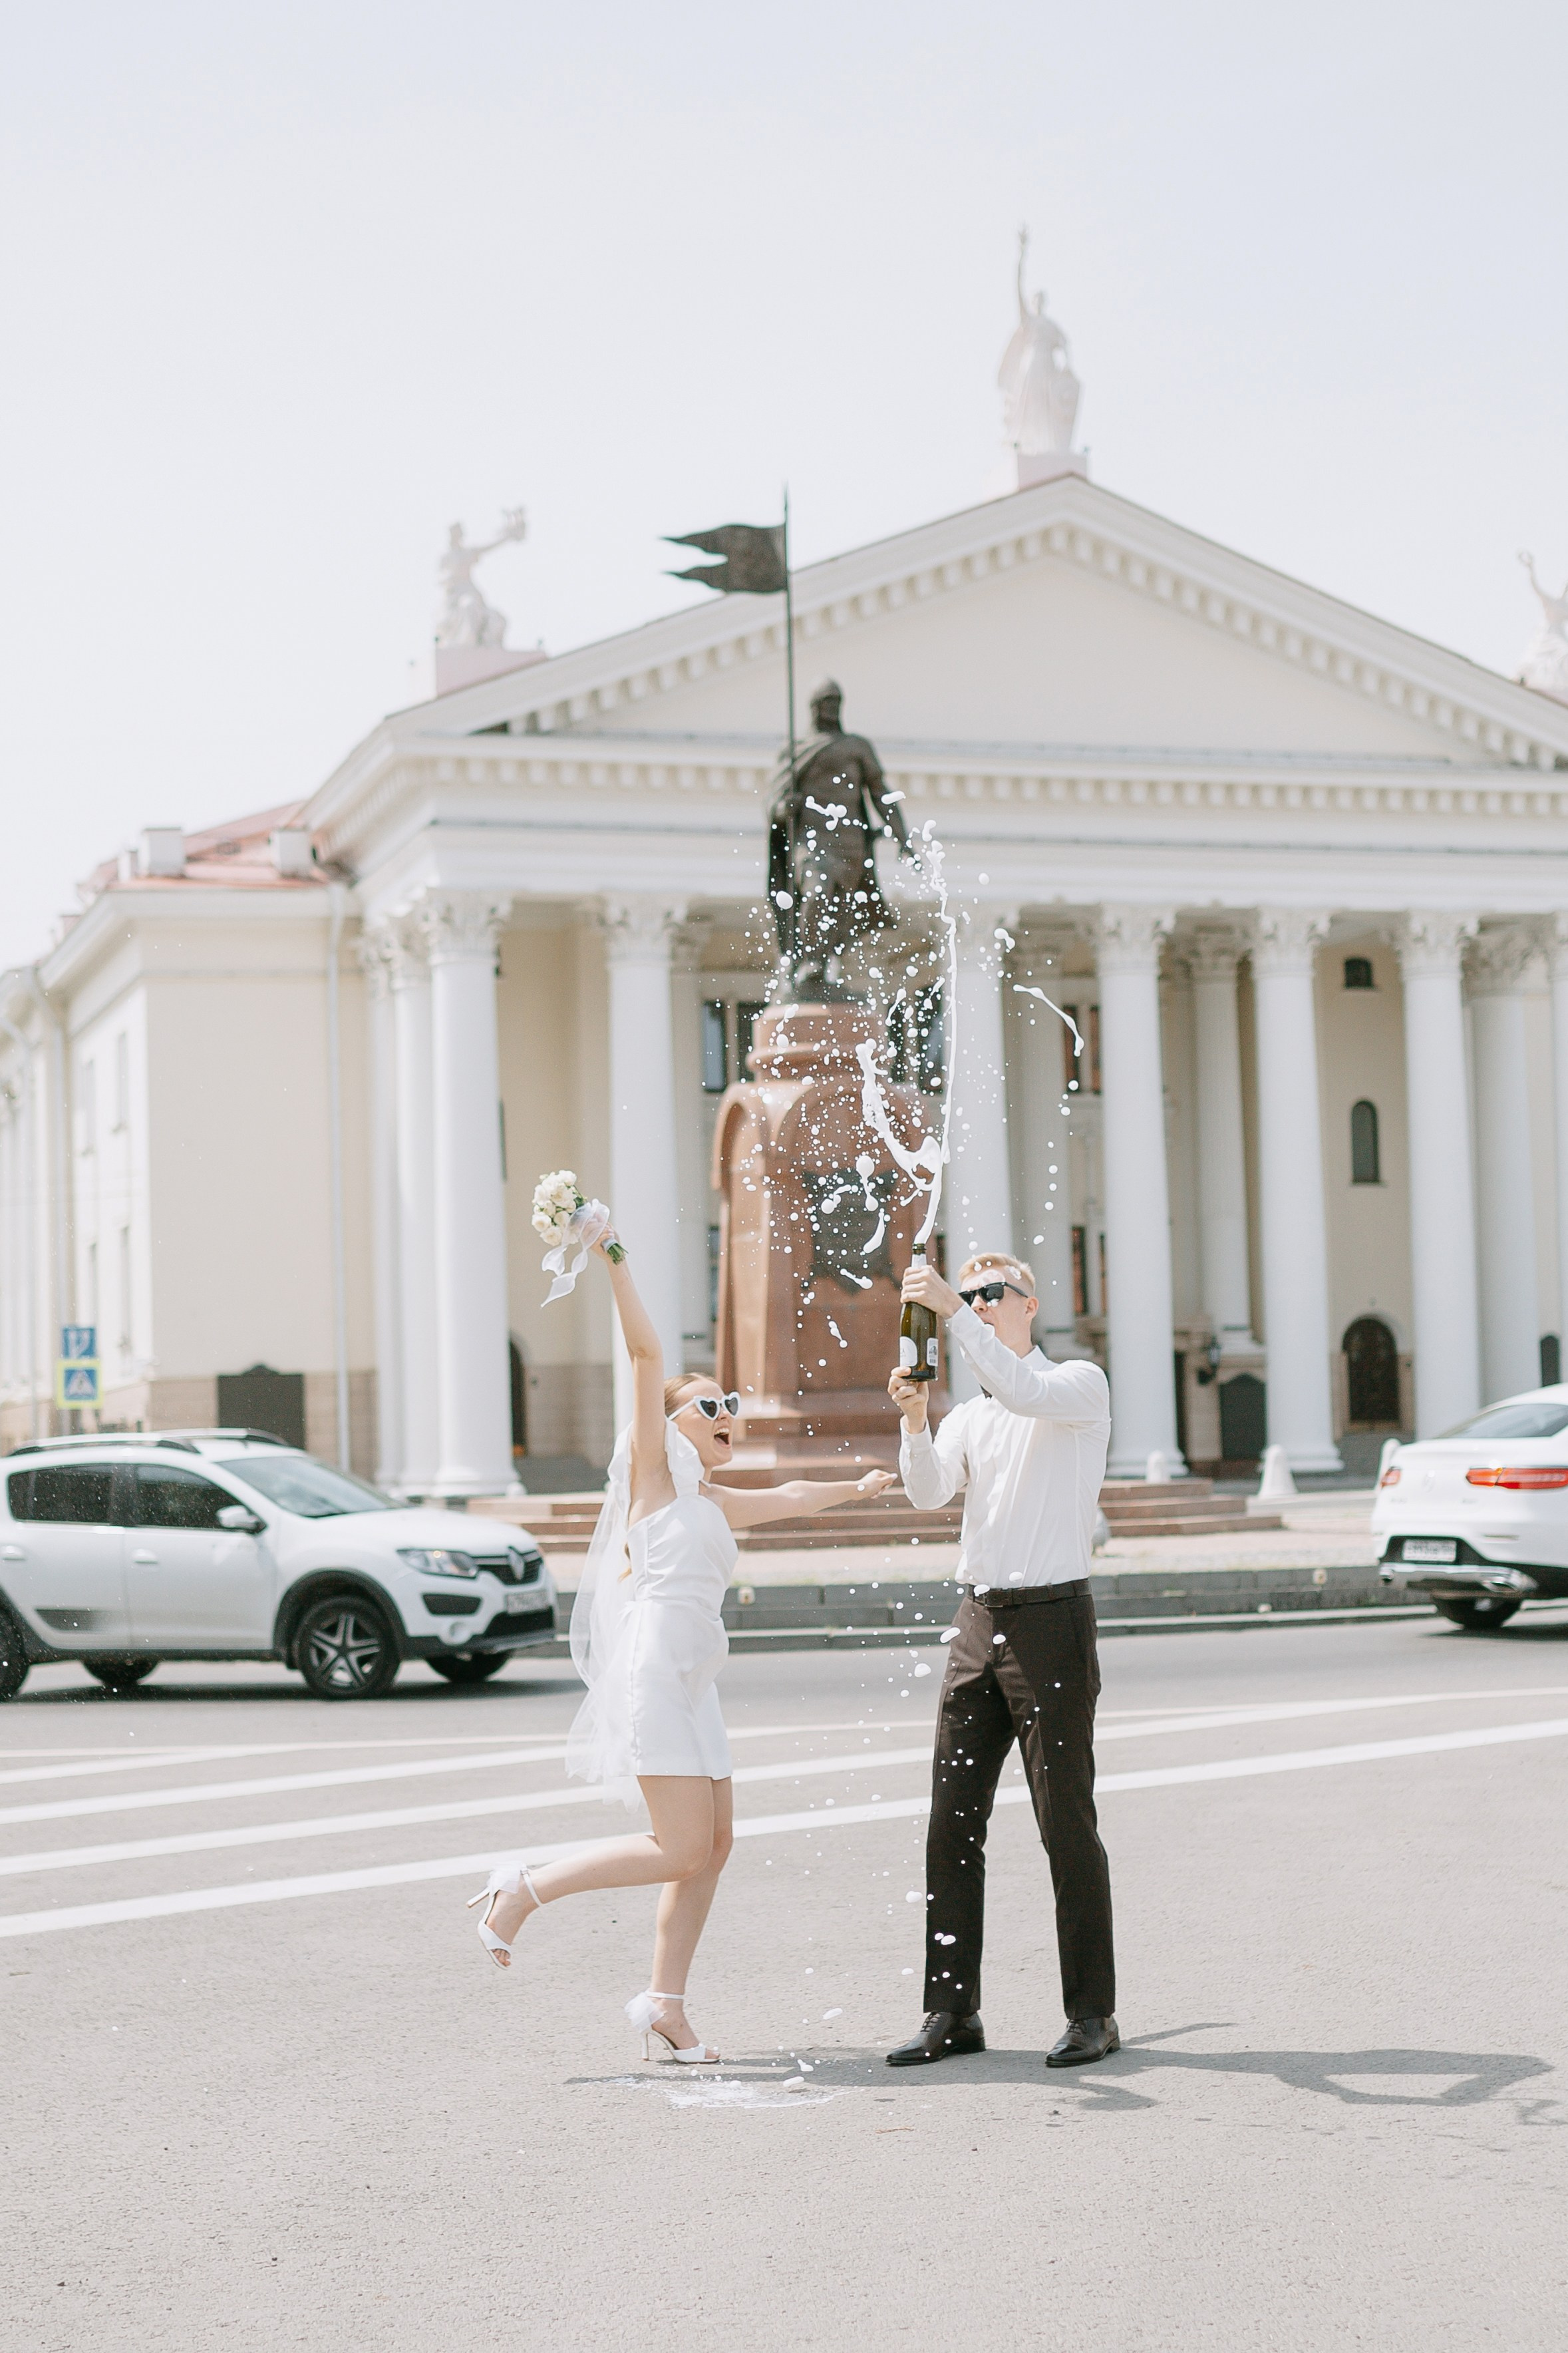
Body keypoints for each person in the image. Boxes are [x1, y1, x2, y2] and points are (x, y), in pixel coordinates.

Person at [470, 1226, 896, 2062]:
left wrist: (859, 1483)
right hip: (655, 1673)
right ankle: (520, 1887)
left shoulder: (709, 1500)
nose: (727, 1413)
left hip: (696, 1680)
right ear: (668, 1428)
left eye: (731, 1404)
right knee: (678, 1846)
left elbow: (792, 1493)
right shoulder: (654, 1484)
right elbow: (644, 1350)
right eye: (710, 1405)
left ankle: (664, 2000)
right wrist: (615, 1258)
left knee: (716, 1844)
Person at [884, 1250, 1118, 2070]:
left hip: (1053, 1617)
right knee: (951, 1821)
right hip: (977, 1618)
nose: (979, 1304)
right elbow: (925, 1492)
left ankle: (1092, 2009)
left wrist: (947, 1307)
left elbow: (1019, 1386)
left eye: (992, 1293)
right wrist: (914, 1420)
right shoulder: (972, 1416)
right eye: (971, 1293)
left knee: (1065, 1822)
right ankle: (951, 2008)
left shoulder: (1076, 1385)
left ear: (1029, 1304)